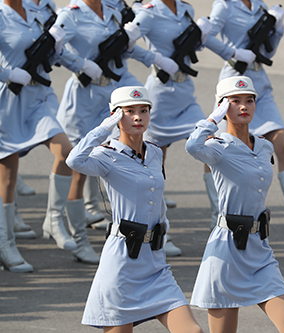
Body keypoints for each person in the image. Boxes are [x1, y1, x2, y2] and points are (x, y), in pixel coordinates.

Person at [67, 86, 203, 333]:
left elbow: (157, 198)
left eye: (143, 110)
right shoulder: (106, 155)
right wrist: (103, 129)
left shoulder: (153, 152)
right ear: (116, 115)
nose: (138, 117)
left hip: (155, 261)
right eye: (129, 111)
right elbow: (74, 160)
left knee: (193, 330)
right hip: (122, 261)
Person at [186, 76, 284, 332]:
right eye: (235, 101)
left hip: (259, 249)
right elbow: (192, 146)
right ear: (222, 106)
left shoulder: (264, 145)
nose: (244, 106)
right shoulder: (217, 147)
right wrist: (213, 119)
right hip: (227, 249)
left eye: (249, 100)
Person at [203, 0, 284, 237]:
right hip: (234, 81)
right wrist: (232, 52)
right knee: (214, 147)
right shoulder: (224, 6)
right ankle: (217, 215)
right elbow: (204, 36)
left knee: (283, 145)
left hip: (259, 83)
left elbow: (268, 51)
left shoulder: (260, 7)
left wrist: (278, 27)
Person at [53, 0, 152, 263]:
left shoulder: (113, 11)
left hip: (111, 93)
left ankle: (132, 232)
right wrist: (80, 63)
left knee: (120, 158)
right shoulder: (70, 15)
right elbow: (53, 49)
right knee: (77, 169)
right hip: (84, 99)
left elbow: (121, 51)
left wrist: (130, 43)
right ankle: (79, 241)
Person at [131, 0, 213, 256]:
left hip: (185, 92)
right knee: (156, 162)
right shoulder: (149, 12)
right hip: (161, 94)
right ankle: (159, 231)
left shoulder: (185, 9)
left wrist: (201, 35)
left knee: (210, 144)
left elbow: (192, 46)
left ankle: (221, 219)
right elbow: (125, 43)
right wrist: (154, 58)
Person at [0, 0, 73, 272]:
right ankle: (5, 245)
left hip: (39, 99)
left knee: (66, 153)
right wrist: (7, 73)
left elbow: (49, 58)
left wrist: (56, 46)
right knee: (7, 178)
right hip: (8, 102)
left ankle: (53, 220)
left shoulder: (34, 12)